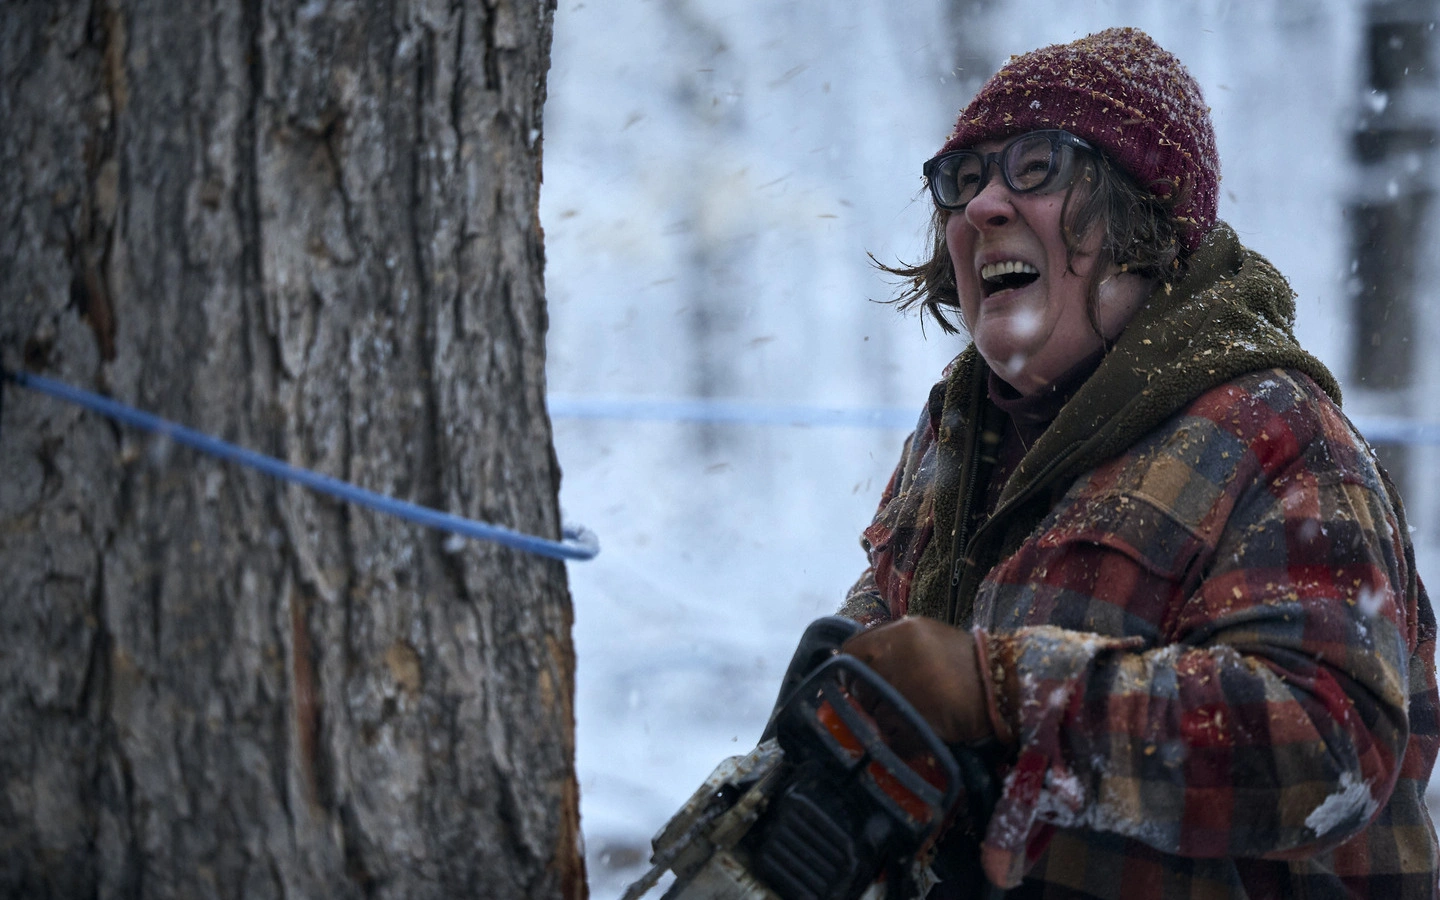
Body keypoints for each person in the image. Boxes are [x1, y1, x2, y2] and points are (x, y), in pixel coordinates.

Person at [838, 27, 1440, 899]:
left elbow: (1333, 747)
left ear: (1145, 219)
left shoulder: (1275, 431)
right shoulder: (957, 435)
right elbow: (885, 658)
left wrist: (1008, 693)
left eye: (1037, 167)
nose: (982, 206)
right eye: (961, 180)